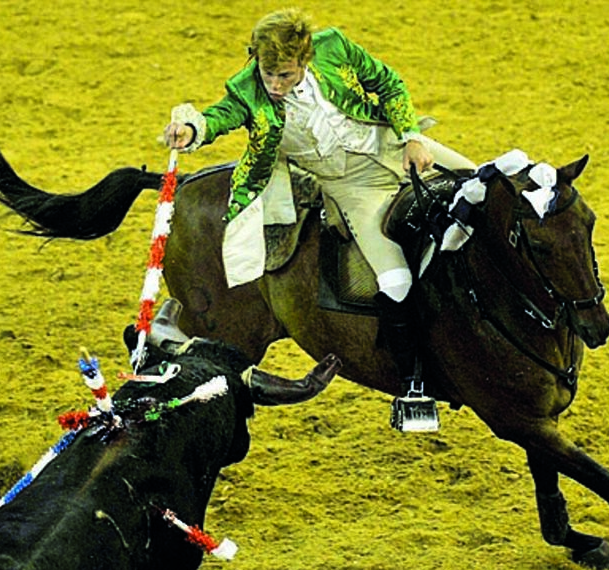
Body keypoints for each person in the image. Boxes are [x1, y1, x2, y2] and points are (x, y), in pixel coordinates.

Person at [162, 8, 474, 425]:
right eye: (267, 73)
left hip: (393, 150)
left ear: (305, 61)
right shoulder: (247, 88)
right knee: (395, 280)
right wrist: (192, 129)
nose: (273, 85)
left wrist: (411, 136)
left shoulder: (334, 48)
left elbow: (388, 83)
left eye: (285, 76)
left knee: (480, 188)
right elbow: (220, 116)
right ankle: (414, 384)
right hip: (352, 189)